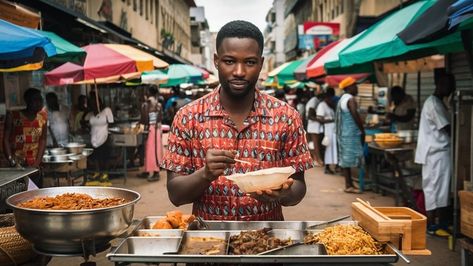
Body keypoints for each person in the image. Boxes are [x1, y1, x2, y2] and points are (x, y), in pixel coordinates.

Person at [161, 20, 313, 221]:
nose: (239, 71)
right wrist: (205, 174)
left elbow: (299, 187)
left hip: (268, 241)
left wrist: (284, 194)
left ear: (260, 63)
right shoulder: (188, 117)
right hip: (208, 243)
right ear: (216, 61)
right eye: (229, 61)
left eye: (249, 62)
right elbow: (175, 195)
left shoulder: (286, 117)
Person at [414, 72, 455, 237]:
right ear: (439, 84)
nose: (451, 88)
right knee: (438, 190)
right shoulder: (434, 104)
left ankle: (435, 223)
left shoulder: (437, 102)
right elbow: (447, 128)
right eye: (449, 84)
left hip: (434, 154)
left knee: (434, 189)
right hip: (436, 154)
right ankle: (435, 225)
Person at [3, 88, 47, 187]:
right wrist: (11, 159)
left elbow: (43, 139)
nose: (39, 103)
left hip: (35, 164)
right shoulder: (13, 116)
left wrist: (37, 162)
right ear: (27, 101)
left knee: (36, 194)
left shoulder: (43, 117)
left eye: (40, 100)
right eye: (35, 100)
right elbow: (5, 139)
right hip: (17, 164)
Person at [335, 77, 365, 194]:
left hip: (344, 133)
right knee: (353, 159)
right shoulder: (350, 99)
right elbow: (354, 114)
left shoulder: (342, 98)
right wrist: (362, 129)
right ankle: (351, 184)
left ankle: (349, 184)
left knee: (345, 160)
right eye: (354, 85)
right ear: (349, 87)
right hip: (351, 134)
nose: (356, 88)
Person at [84, 92, 114, 186]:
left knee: (104, 156)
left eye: (94, 102)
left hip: (104, 137)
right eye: (90, 103)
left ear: (99, 102)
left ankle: (105, 174)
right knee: (96, 156)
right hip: (94, 138)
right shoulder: (90, 114)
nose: (92, 104)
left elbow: (111, 123)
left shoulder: (106, 111)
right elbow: (83, 121)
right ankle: (97, 173)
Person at [140, 85, 164, 182]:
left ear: (149, 92)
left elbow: (144, 119)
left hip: (150, 129)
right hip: (157, 129)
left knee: (151, 151)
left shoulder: (146, 104)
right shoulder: (158, 104)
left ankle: (155, 172)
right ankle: (150, 170)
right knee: (155, 150)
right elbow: (160, 118)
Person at [317, 88, 337, 174]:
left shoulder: (330, 105)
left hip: (333, 130)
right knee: (328, 148)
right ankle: (327, 167)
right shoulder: (322, 105)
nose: (331, 99)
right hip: (327, 131)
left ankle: (333, 167)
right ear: (327, 97)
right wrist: (332, 120)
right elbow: (320, 119)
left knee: (333, 148)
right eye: (330, 97)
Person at [306, 92, 323, 166]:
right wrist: (321, 120)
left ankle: (314, 159)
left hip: (311, 125)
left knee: (311, 144)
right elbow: (310, 115)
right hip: (313, 126)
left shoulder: (313, 100)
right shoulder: (314, 101)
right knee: (315, 144)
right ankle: (318, 160)